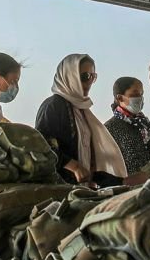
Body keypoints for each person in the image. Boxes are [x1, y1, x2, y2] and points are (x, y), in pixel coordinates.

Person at [35, 54, 127, 186]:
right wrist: (74, 166)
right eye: (85, 77)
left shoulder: (81, 110)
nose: (89, 82)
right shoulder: (54, 106)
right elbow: (42, 148)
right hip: (59, 188)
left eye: (93, 77)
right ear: (70, 76)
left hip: (82, 188)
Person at [104, 77, 150, 175]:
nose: (140, 98)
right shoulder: (109, 128)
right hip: (131, 182)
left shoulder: (144, 124)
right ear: (120, 97)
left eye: (141, 94)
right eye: (135, 94)